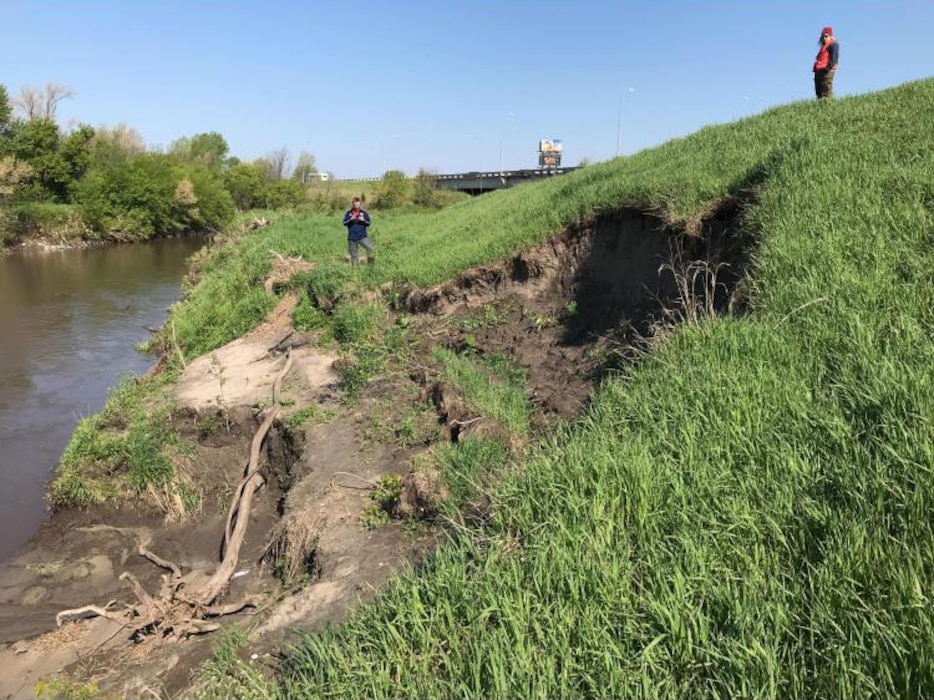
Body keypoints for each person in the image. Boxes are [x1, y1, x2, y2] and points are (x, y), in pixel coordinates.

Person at [342, 196, 374, 265]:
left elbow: (368, 223)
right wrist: (350, 219)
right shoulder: (348, 213)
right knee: (354, 255)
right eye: (355, 204)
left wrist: (363, 220)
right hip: (352, 238)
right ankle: (355, 271)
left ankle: (371, 266)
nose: (356, 206)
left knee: (370, 248)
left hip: (362, 237)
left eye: (357, 204)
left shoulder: (363, 213)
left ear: (360, 204)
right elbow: (344, 223)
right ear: (352, 204)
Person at [813, 26, 839, 100]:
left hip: (826, 71)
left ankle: (828, 108)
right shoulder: (823, 47)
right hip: (819, 71)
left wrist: (827, 68)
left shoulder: (833, 45)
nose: (824, 38)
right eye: (823, 36)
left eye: (826, 36)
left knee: (826, 91)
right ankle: (820, 109)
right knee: (819, 92)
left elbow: (834, 58)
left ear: (831, 36)